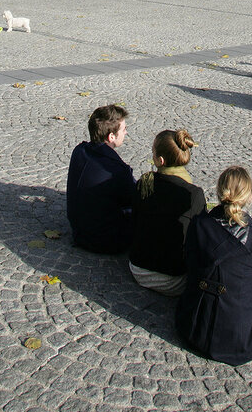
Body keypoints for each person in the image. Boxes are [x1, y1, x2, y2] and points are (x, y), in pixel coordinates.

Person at [175, 166, 252, 366]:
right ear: (249, 197)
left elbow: (190, 264)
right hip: (235, 341)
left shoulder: (199, 224)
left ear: (219, 192)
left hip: (193, 326)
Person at [129, 129, 206, 295]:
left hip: (138, 269)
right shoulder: (193, 194)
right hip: (174, 279)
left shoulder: (145, 182)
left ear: (160, 161)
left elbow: (133, 222)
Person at [66, 104, 136, 253]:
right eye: (123, 129)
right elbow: (133, 199)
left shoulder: (79, 150)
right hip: (105, 241)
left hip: (78, 230)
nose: (126, 132)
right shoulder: (117, 170)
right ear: (111, 136)